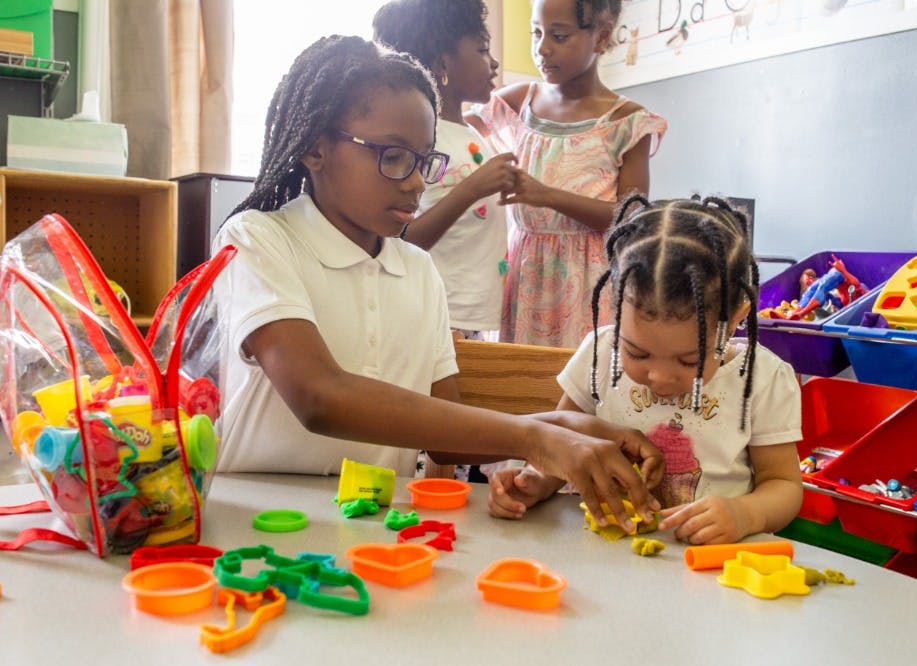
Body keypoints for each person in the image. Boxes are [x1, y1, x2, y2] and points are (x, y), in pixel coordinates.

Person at [211, 35, 662, 530]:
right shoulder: (257, 238)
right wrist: (535, 438)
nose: (415, 182)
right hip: (255, 524)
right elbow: (318, 396)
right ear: (317, 148)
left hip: (372, 529)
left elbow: (445, 432)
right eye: (393, 156)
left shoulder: (417, 269)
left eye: (424, 159)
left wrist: (566, 426)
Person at [488, 197, 804, 545]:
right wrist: (536, 480)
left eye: (688, 361)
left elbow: (784, 486)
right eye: (637, 353)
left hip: (711, 563)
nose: (660, 378)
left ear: (735, 321)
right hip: (604, 553)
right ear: (616, 305)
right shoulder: (599, 355)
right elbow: (563, 446)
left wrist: (746, 514)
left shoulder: (762, 379)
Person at [470, 0, 667, 348]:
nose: (542, 48)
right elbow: (450, 130)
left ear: (601, 37)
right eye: (536, 33)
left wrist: (547, 196)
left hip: (589, 285)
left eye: (559, 36)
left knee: (578, 376)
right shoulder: (518, 101)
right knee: (518, 375)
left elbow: (631, 218)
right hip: (524, 276)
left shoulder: (627, 121)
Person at [373, 0, 515, 342]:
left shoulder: (469, 131)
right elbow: (400, 241)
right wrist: (472, 189)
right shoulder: (422, 138)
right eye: (482, 49)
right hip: (437, 316)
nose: (494, 62)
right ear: (443, 64)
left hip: (471, 319)